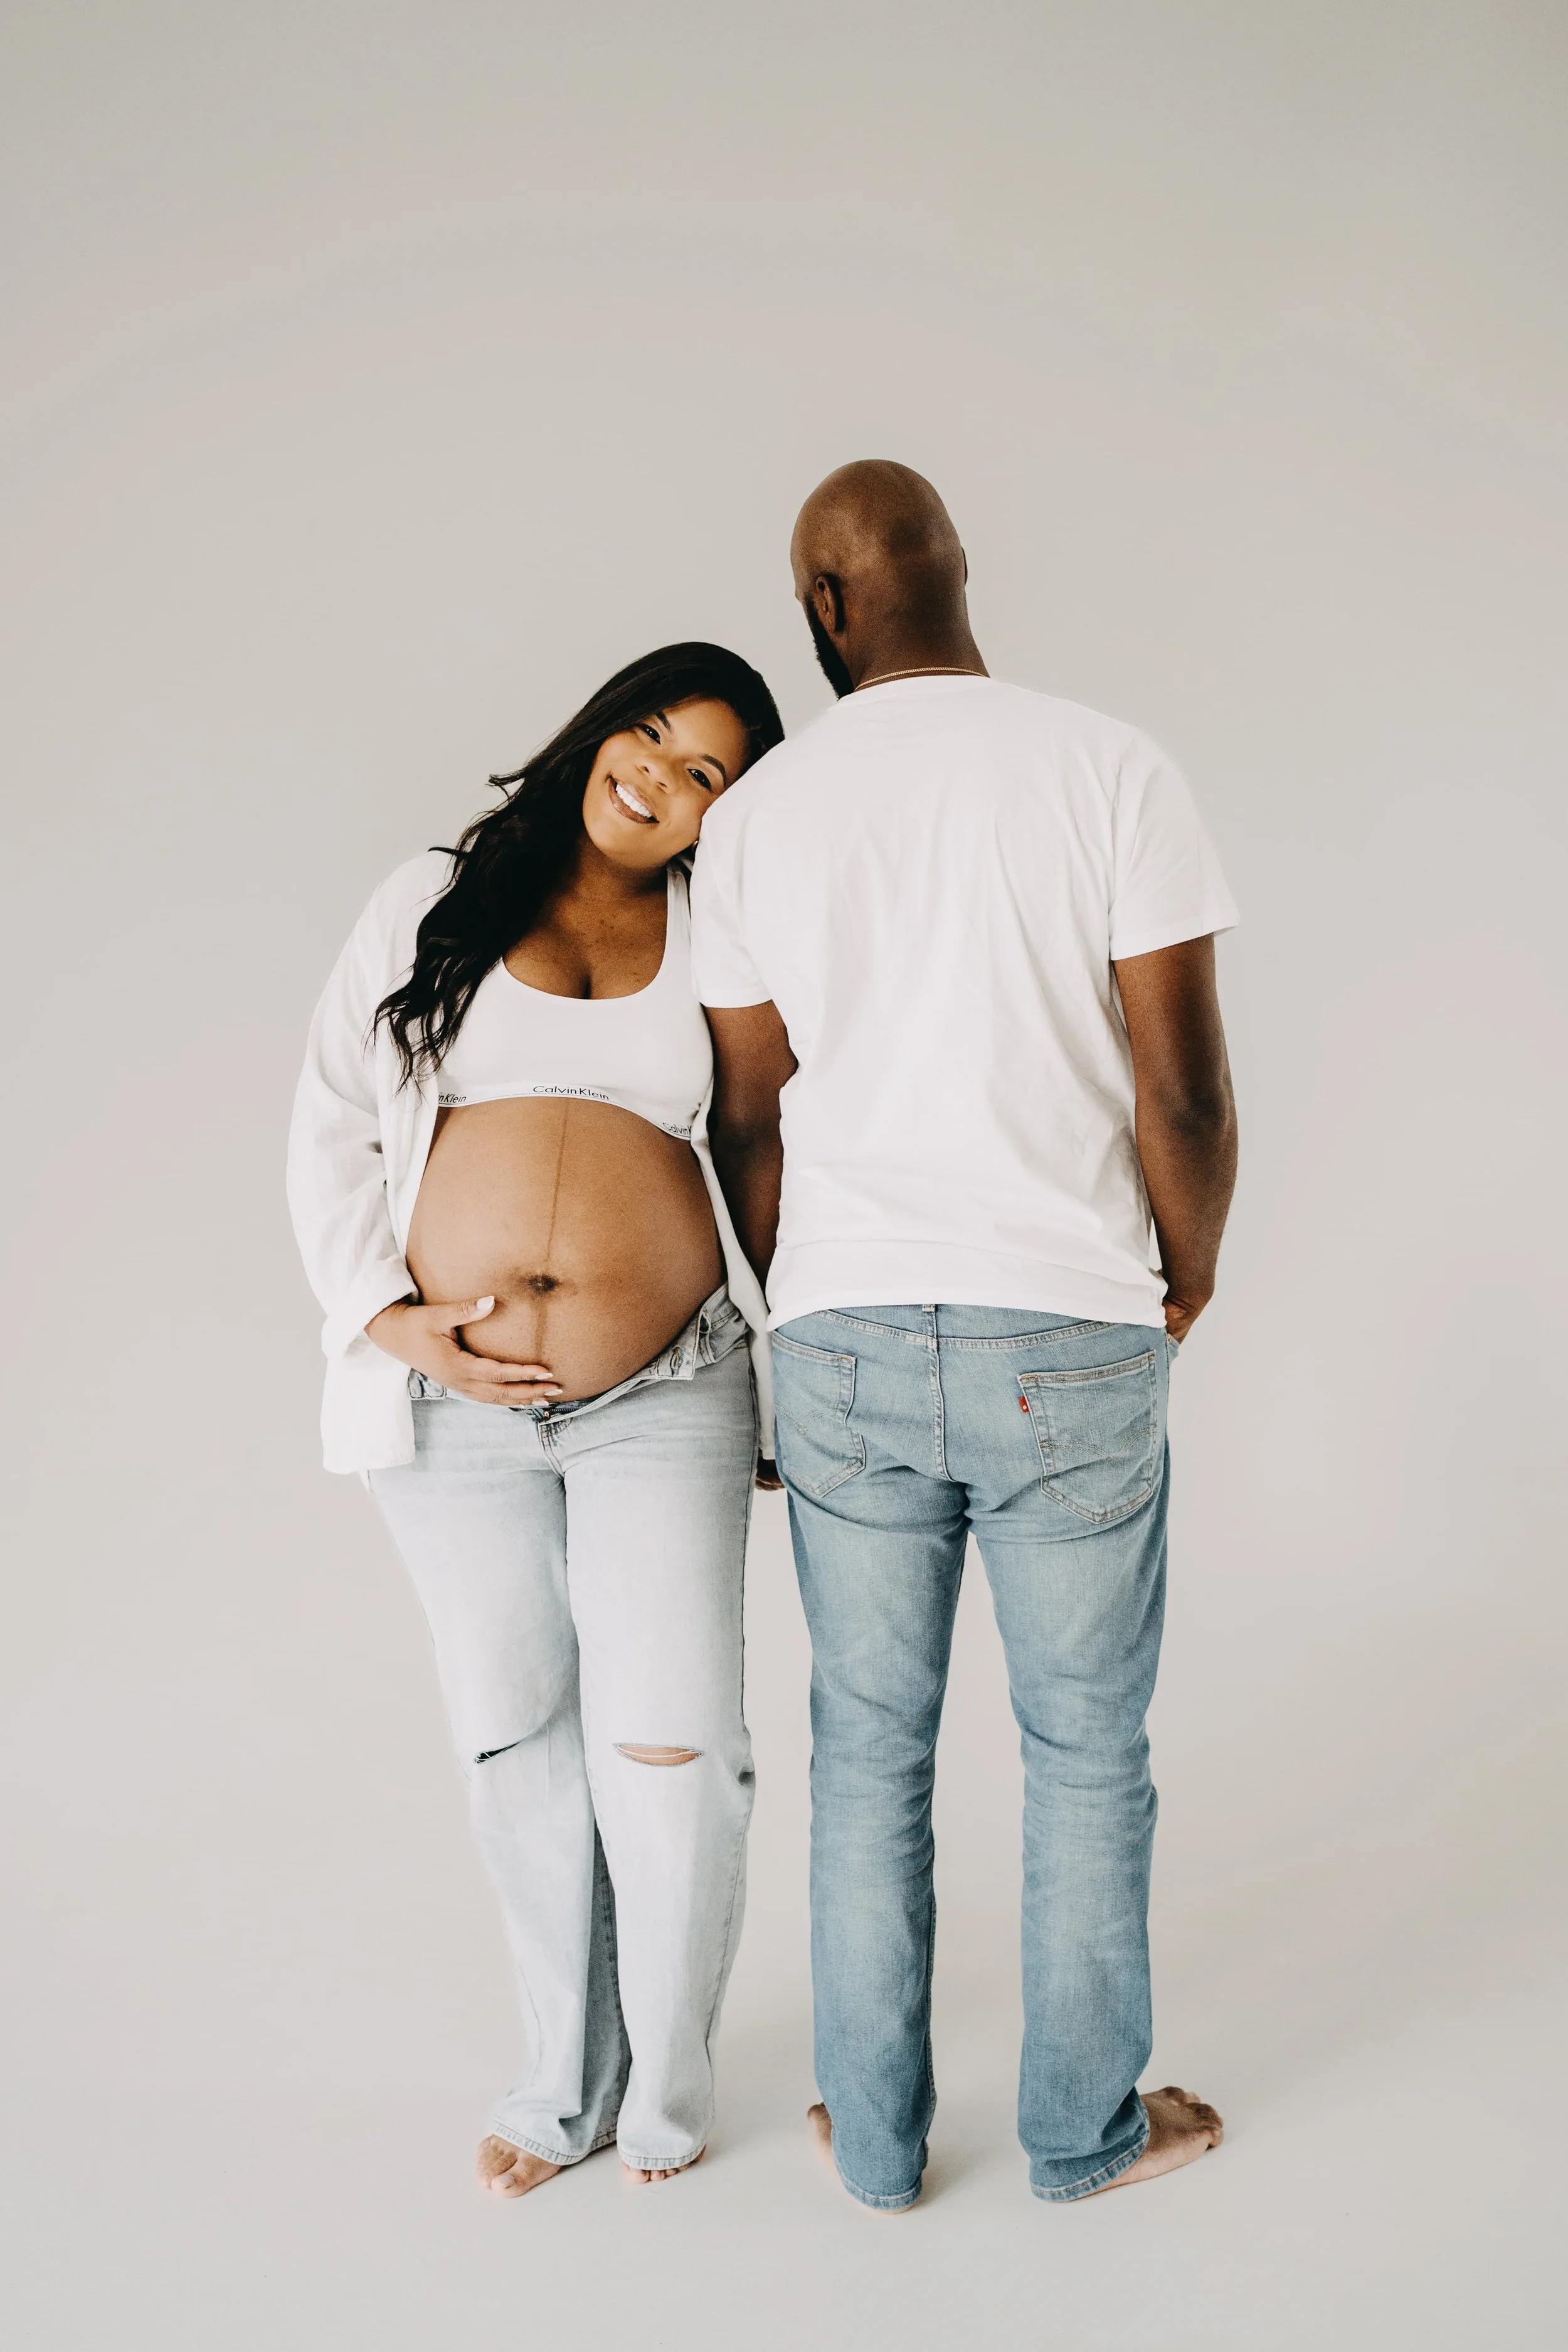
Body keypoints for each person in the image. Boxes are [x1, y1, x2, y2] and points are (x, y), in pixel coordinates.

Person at [693, 462, 1239, 2212]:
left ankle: (874, 2139)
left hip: (844, 1325)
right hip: (1068, 1318)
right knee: (1086, 1748)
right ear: (958, 570)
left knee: (866, 1746)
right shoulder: (1107, 763)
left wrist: (801, 1298)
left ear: (822, 604)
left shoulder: (762, 815)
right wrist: (1186, 1266)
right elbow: (1184, 1080)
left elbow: (744, 1115)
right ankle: (1081, 2135)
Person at [287, 643, 784, 2199]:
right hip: (457, 1404)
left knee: (673, 1737)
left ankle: (670, 2081)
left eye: (704, 770)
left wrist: (801, 1357)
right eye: (649, 733)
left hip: (673, 1387)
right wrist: (388, 1316)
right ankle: (563, 2080)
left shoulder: (725, 930)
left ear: (726, 810)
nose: (659, 777)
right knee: (518, 1738)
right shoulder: (439, 893)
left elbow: (773, 1140)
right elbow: (326, 1112)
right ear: (599, 727)